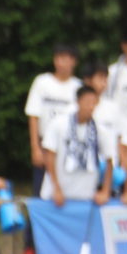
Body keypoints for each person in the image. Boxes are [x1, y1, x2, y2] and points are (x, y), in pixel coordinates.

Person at [41, 86, 114, 207]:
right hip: (57, 196)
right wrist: (56, 188)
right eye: (87, 102)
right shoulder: (58, 124)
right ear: (78, 102)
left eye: (94, 103)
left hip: (85, 196)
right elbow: (49, 156)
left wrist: (105, 191)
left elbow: (109, 160)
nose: (91, 107)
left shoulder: (100, 130)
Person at [25, 43, 81, 195]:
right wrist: (35, 148)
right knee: (41, 188)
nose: (61, 62)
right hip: (45, 145)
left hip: (68, 146)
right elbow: (33, 115)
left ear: (73, 61)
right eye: (58, 58)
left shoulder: (78, 87)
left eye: (65, 58)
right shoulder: (42, 82)